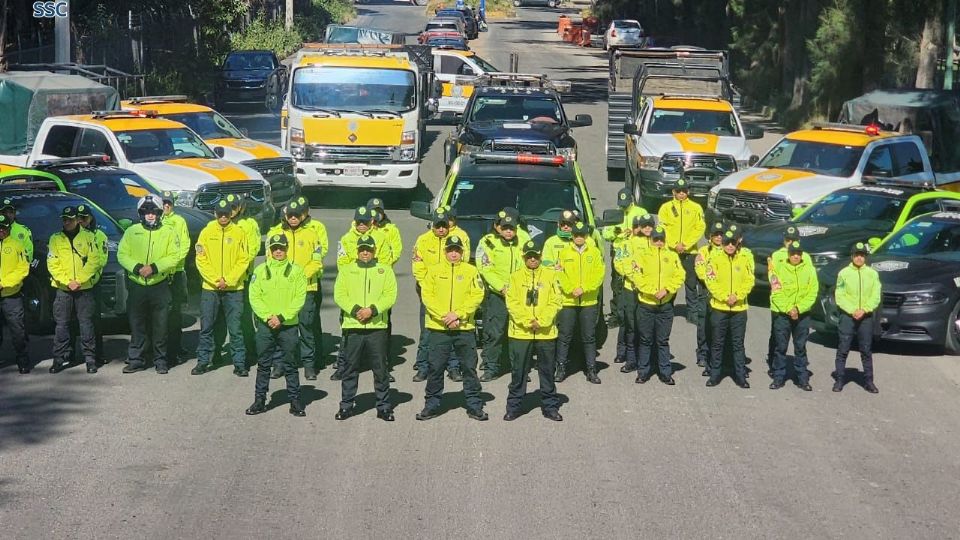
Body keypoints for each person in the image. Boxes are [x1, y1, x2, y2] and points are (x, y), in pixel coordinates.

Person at [416, 235, 487, 421]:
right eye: (450, 250)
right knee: (436, 368)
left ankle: (474, 406)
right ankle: (431, 405)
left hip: (464, 328)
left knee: (469, 368)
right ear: (445, 251)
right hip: (439, 328)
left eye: (457, 250)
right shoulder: (433, 271)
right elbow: (427, 297)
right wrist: (445, 316)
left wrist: (458, 314)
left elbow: (477, 295)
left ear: (462, 252)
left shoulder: (471, 271)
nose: (454, 254)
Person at [333, 235, 398, 421]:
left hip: (377, 326)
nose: (365, 253)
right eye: (362, 249)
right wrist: (356, 311)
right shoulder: (346, 270)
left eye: (368, 249)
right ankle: (346, 406)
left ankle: (384, 407)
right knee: (350, 368)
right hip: (353, 326)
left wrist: (372, 310)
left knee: (380, 369)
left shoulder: (385, 271)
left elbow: (390, 295)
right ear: (357, 250)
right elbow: (339, 295)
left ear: (374, 250)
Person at [245, 234, 308, 417]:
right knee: (264, 364)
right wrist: (267, 317)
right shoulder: (260, 270)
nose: (278, 251)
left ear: (287, 249)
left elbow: (299, 298)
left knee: (290, 365)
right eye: (275, 248)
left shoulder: (296, 271)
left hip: (287, 326)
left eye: (281, 248)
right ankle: (259, 400)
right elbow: (254, 297)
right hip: (266, 326)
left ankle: (295, 401)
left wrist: (281, 317)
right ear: (270, 250)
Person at [118, 195, 180, 374]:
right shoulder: (132, 231)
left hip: (159, 284)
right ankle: (136, 359)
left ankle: (161, 360)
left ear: (159, 213)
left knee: (161, 325)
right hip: (137, 284)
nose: (150, 215)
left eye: (153, 212)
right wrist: (137, 268)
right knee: (137, 324)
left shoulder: (168, 232)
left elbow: (174, 256)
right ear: (141, 214)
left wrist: (154, 268)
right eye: (146, 212)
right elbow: (122, 254)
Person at [191, 199, 253, 376]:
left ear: (231, 214)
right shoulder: (206, 232)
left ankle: (239, 363)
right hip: (211, 288)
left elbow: (244, 259)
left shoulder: (240, 233)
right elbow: (201, 259)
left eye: (226, 213)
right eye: (220, 213)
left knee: (236, 328)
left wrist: (229, 279)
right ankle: (203, 361)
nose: (224, 216)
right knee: (207, 327)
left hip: (234, 289)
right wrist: (215, 279)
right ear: (215, 213)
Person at [504, 240, 563, 422]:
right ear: (523, 257)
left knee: (547, 371)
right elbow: (511, 303)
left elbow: (556, 300)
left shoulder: (551, 276)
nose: (532, 259)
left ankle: (550, 406)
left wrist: (542, 321)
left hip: (545, 332)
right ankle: (514, 407)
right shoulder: (514, 277)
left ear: (541, 257)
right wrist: (527, 321)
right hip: (520, 332)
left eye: (535, 256)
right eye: (528, 256)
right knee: (519, 372)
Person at [266, 202, 325, 380]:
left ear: (302, 215)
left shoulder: (312, 235)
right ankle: (280, 364)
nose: (293, 218)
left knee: (306, 327)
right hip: (281, 290)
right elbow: (271, 260)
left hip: (306, 288)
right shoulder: (275, 234)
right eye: (290, 215)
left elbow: (317, 261)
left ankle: (309, 366)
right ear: (285, 216)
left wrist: (298, 277)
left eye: (296, 215)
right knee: (281, 328)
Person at [331, 207, 385, 380]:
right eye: (359, 221)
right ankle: (343, 366)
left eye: (365, 221)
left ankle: (382, 367)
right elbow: (342, 262)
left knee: (381, 332)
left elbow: (385, 262)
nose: (362, 225)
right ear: (355, 221)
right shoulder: (346, 239)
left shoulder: (381, 238)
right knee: (347, 332)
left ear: (372, 222)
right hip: (352, 290)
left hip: (375, 292)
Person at [626, 226, 684, 385]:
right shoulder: (641, 256)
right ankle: (643, 372)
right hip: (647, 304)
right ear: (651, 239)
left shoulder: (672, 256)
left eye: (661, 239)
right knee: (645, 340)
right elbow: (636, 277)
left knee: (662, 341)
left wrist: (667, 290)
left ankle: (665, 372)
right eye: (655, 239)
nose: (658, 242)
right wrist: (652, 291)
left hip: (665, 305)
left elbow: (680, 275)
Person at [48, 206, 103, 374]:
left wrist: (79, 280)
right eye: (64, 219)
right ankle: (59, 358)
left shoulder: (89, 237)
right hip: (63, 288)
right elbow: (52, 264)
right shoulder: (55, 239)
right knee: (61, 325)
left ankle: (90, 359)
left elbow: (94, 261)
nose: (67, 222)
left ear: (76, 220)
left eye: (70, 219)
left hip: (84, 287)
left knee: (86, 324)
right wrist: (67, 281)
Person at [477, 210, 524, 381]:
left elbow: (530, 264)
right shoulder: (487, 242)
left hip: (519, 294)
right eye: (505, 228)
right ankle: (491, 367)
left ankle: (519, 369)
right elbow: (484, 268)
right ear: (498, 228)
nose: (508, 231)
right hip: (498, 295)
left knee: (519, 333)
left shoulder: (524, 240)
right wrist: (501, 287)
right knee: (494, 333)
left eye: (511, 228)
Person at [555, 220, 605, 383]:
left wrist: (584, 288)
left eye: (582, 235)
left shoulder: (595, 252)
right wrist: (571, 289)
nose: (579, 238)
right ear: (572, 236)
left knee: (589, 336)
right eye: (576, 235)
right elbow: (559, 274)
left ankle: (591, 369)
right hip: (568, 301)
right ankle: (561, 368)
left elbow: (599, 275)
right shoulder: (564, 253)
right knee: (564, 335)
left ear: (586, 236)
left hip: (588, 301)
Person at [704, 230, 754, 388]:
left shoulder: (744, 260)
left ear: (737, 243)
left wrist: (737, 296)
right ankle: (714, 375)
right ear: (723, 244)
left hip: (739, 308)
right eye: (727, 243)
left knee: (738, 344)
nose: (730, 246)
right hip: (720, 307)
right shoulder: (714, 259)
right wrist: (725, 297)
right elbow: (711, 281)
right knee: (717, 343)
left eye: (733, 243)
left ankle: (740, 376)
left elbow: (749, 280)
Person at [411, 208, 456, 381]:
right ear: (433, 225)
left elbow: (460, 262)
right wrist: (427, 288)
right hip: (428, 292)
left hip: (450, 292)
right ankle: (423, 366)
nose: (441, 229)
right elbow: (418, 266)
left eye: (444, 225)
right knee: (427, 330)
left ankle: (453, 367)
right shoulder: (422, 240)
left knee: (451, 329)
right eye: (438, 226)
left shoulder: (453, 241)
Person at [769, 241, 818, 391]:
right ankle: (778, 377)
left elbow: (813, 292)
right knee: (780, 347)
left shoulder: (809, 269)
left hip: (802, 315)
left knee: (800, 347)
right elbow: (776, 292)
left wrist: (798, 308)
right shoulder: (779, 268)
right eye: (793, 253)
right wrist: (789, 308)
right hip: (783, 314)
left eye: (798, 253)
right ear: (788, 254)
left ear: (801, 254)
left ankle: (802, 379)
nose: (796, 256)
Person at [833, 242, 881, 393]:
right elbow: (839, 296)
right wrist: (852, 310)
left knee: (866, 349)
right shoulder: (843, 273)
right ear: (852, 256)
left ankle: (868, 381)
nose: (860, 258)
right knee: (843, 348)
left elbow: (876, 295)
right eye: (857, 255)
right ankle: (840, 379)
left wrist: (864, 309)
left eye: (862, 255)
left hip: (865, 316)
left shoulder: (872, 274)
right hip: (848, 315)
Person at [657, 179, 705, 325]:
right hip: (671, 252)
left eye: (684, 191)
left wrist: (685, 244)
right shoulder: (666, 208)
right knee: (670, 281)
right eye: (679, 191)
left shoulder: (696, 208)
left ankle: (692, 312)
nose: (682, 194)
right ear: (674, 192)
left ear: (688, 191)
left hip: (689, 251)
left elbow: (700, 227)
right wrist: (673, 244)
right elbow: (662, 227)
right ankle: (667, 310)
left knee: (691, 283)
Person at [766, 226, 812, 374]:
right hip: (779, 303)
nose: (790, 242)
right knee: (777, 337)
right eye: (788, 240)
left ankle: (799, 370)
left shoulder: (805, 257)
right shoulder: (776, 255)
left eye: (794, 240)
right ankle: (774, 364)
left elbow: (809, 279)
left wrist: (798, 306)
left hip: (799, 305)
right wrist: (785, 304)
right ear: (784, 240)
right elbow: (772, 278)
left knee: (799, 342)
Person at [613, 213, 655, 373]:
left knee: (646, 326)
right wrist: (633, 277)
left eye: (649, 225)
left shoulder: (656, 243)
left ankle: (647, 358)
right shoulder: (627, 243)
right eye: (643, 226)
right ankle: (630, 359)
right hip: (631, 289)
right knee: (631, 325)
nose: (645, 229)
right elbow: (620, 262)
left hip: (649, 291)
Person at [601, 188, 647, 329]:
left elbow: (648, 230)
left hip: (636, 252)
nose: (623, 205)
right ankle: (616, 315)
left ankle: (636, 313)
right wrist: (616, 232)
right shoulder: (615, 213)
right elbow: (606, 234)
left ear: (632, 200)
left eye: (626, 203)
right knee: (617, 285)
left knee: (636, 283)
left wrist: (635, 233)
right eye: (621, 203)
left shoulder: (640, 213)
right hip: (619, 252)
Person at [159, 192, 192, 364]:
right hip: (161, 273)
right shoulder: (157, 220)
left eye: (169, 204)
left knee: (175, 313)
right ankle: (161, 348)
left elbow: (185, 245)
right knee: (161, 313)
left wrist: (174, 263)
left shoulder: (179, 221)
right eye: (164, 203)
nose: (166, 206)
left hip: (176, 272)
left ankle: (176, 347)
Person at [77, 204, 109, 364]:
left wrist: (87, 268)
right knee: (71, 321)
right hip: (73, 283)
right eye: (79, 218)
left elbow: (101, 260)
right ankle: (70, 354)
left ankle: (98, 354)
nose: (82, 221)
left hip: (92, 283)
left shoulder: (100, 235)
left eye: (85, 218)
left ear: (91, 218)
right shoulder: (70, 236)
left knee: (94, 320)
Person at [0, 216, 31, 373]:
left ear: (9, 228)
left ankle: (22, 358)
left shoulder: (17, 245)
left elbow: (23, 269)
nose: (1, 231)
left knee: (17, 330)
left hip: (11, 294)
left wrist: (4, 283)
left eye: (4, 228)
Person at [694, 222, 725, 374]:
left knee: (719, 326)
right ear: (710, 237)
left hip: (721, 293)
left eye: (721, 235)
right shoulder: (703, 251)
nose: (719, 237)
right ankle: (703, 354)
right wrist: (713, 283)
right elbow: (700, 270)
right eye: (716, 235)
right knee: (704, 324)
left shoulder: (728, 251)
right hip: (706, 291)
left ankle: (718, 355)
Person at [0, 198, 34, 263]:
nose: (8, 215)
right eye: (4, 212)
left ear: (15, 214)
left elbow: (29, 255)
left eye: (11, 212)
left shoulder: (24, 231)